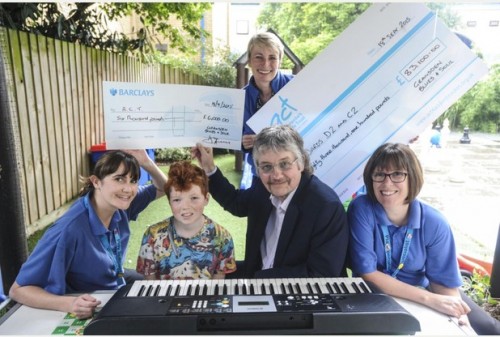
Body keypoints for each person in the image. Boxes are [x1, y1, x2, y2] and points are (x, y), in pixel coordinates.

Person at [348, 142, 500, 335]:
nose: (387, 183)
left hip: (424, 289)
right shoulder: (362, 209)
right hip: (376, 295)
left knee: (488, 328)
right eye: (379, 175)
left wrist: (458, 317)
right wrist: (431, 300)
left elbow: (442, 282)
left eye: (397, 174)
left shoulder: (434, 223)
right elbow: (367, 273)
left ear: (413, 177)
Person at [9, 150, 168, 319]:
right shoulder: (68, 229)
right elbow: (18, 290)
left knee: (161, 285)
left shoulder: (120, 204)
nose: (128, 189)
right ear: (96, 182)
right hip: (91, 297)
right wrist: (70, 304)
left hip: (115, 279)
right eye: (119, 179)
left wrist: (146, 162)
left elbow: (164, 187)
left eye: (133, 180)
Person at [193, 124, 349, 279]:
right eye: (267, 167)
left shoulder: (326, 207)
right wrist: (209, 168)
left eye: (284, 164)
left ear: (301, 163)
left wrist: (258, 280)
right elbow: (235, 202)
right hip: (260, 277)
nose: (277, 175)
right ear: (258, 169)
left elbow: (321, 274)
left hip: (301, 294)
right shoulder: (262, 189)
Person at [136, 160, 236, 280]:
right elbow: (149, 284)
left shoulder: (222, 237)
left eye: (194, 198)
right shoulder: (152, 235)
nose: (185, 207)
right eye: (177, 200)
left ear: (206, 199)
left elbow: (218, 284)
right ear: (169, 202)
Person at [240, 32, 294, 189]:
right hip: (261, 176)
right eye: (258, 57)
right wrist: (243, 142)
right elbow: (236, 139)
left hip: (295, 174)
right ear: (249, 61)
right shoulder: (240, 99)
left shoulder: (296, 87)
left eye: (272, 58)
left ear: (280, 61)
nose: (265, 64)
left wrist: (266, 139)